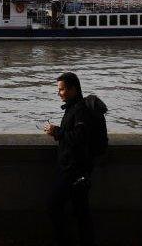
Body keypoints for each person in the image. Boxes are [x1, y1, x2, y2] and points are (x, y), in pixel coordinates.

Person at [43, 71, 96, 246]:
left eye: (62, 89)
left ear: (73, 89)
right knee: (81, 212)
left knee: (53, 205)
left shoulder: (79, 110)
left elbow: (79, 137)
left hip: (73, 169)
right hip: (78, 168)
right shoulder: (75, 107)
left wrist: (56, 132)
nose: (59, 93)